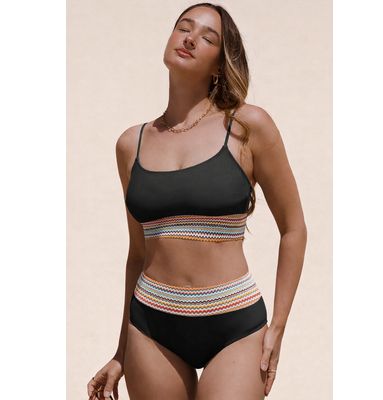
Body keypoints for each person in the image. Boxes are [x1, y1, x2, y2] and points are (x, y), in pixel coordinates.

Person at [87, 3, 307, 399]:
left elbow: (294, 229)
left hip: (234, 324)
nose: (189, 38)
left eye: (207, 37)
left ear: (220, 65)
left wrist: (278, 326)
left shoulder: (246, 126)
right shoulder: (131, 145)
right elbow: (138, 254)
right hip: (151, 326)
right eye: (183, 28)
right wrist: (121, 352)